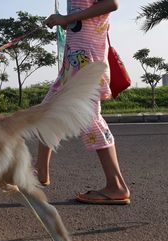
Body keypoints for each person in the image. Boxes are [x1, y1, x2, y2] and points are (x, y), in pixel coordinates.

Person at [36, 0, 130, 204]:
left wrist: (67, 19)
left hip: (86, 60)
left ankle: (116, 186)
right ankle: (40, 173)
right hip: (74, 61)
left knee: (89, 117)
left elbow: (112, 3)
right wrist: (65, 22)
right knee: (47, 112)